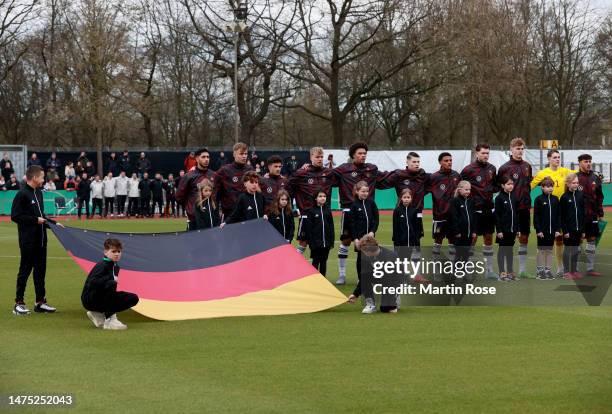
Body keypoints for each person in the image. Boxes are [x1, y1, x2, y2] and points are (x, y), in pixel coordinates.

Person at [11, 165, 64, 315]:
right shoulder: (22, 194)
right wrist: (35, 220)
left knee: (40, 272)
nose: (43, 179)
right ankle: (18, 303)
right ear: (34, 178)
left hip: (41, 241)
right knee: (25, 271)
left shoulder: (39, 193)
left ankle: (40, 302)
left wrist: (53, 224)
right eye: (42, 177)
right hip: (28, 241)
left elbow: (42, 216)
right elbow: (15, 216)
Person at [332, 142, 387, 285]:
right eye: (360, 153)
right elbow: (326, 174)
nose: (363, 156)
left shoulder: (372, 169)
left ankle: (362, 276)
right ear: (353, 155)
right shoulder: (343, 169)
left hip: (365, 211)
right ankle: (342, 274)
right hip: (348, 210)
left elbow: (386, 177)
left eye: (364, 153)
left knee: (365, 243)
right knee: (346, 241)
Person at [380, 151, 429, 278]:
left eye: (418, 162)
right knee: (401, 246)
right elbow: (382, 182)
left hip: (417, 214)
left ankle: (417, 274)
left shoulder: (423, 176)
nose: (417, 164)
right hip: (402, 213)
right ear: (407, 162)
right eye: (414, 162)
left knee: (416, 244)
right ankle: (401, 273)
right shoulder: (399, 175)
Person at [531, 149, 576, 277]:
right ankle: (541, 269)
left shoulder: (565, 171)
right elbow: (530, 186)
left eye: (558, 157)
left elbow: (577, 177)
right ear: (549, 159)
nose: (557, 159)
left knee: (560, 239)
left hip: (562, 209)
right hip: (547, 209)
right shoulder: (542, 173)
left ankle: (560, 268)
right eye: (554, 157)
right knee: (544, 241)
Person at [81, 238, 139, 330]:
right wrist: (109, 279)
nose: (117, 254)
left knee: (133, 298)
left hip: (101, 297)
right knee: (111, 283)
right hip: (90, 299)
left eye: (119, 251)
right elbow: (92, 282)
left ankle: (98, 313)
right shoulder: (102, 265)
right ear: (106, 252)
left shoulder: (115, 266)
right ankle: (110, 320)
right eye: (113, 251)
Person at [460, 144, 498, 279]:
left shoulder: (492, 168)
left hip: (488, 209)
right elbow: (461, 188)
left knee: (488, 238)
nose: (486, 155)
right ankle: (467, 270)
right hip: (474, 210)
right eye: (483, 153)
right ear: (477, 153)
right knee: (472, 239)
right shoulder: (468, 170)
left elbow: (495, 186)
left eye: (488, 153)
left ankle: (489, 271)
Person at [288, 147, 335, 256]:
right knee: (303, 243)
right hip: (307, 214)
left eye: (321, 157)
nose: (320, 159)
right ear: (311, 157)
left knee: (321, 244)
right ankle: (294, 267)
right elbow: (289, 185)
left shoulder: (328, 173)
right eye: (317, 157)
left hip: (323, 214)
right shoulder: (302, 173)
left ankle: (318, 271)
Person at [498, 138, 533, 278]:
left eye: (522, 148)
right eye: (517, 148)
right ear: (511, 149)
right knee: (507, 241)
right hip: (510, 209)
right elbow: (499, 186)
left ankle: (522, 270)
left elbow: (528, 185)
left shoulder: (527, 166)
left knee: (524, 238)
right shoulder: (505, 168)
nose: (520, 151)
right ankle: (505, 270)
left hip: (524, 208)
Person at [345, 181, 380, 303]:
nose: (365, 193)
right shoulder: (354, 206)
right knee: (360, 264)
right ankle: (363, 288)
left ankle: (363, 292)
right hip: (360, 241)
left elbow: (376, 219)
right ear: (357, 191)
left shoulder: (371, 203)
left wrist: (372, 232)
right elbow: (352, 224)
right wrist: (355, 239)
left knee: (368, 266)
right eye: (362, 191)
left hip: (370, 241)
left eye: (367, 191)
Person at [427, 152, 460, 259]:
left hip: (454, 216)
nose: (449, 162)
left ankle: (453, 268)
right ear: (440, 162)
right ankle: (435, 265)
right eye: (446, 161)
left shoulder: (456, 175)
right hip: (439, 215)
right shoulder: (434, 177)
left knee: (453, 241)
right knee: (438, 240)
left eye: (450, 160)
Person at [576, 154, 604, 277]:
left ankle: (590, 269)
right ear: (580, 163)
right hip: (579, 215)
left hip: (592, 215)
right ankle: (574, 270)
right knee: (577, 240)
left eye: (589, 161)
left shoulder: (595, 177)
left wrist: (600, 213)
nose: (588, 163)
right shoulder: (575, 177)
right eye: (585, 161)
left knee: (591, 240)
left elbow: (599, 197)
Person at [176, 148, 215, 230]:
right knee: (192, 243)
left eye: (208, 157)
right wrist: (191, 208)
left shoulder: (214, 175)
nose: (206, 159)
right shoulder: (189, 176)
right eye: (203, 157)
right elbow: (179, 197)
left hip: (211, 219)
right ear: (197, 159)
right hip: (194, 220)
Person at [214, 142, 254, 218]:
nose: (244, 156)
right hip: (230, 214)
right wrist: (216, 213)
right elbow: (215, 193)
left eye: (246, 154)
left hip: (248, 212)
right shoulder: (224, 171)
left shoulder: (250, 170)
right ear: (234, 154)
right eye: (241, 154)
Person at [391, 189, 423, 279]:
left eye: (408, 197)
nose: (406, 199)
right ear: (401, 198)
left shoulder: (414, 210)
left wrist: (417, 241)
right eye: (404, 197)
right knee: (402, 260)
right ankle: (402, 276)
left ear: (411, 198)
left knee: (413, 258)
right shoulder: (397, 211)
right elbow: (395, 228)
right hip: (401, 242)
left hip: (412, 241)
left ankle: (417, 276)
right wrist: (396, 242)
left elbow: (418, 227)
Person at [533, 177, 561, 280]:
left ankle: (548, 270)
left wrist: (558, 229)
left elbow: (558, 215)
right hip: (542, 232)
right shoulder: (538, 199)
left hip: (552, 231)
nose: (550, 188)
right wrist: (538, 230)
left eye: (551, 186)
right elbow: (536, 217)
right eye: (548, 186)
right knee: (541, 250)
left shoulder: (555, 199)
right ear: (542, 187)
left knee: (549, 250)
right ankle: (539, 271)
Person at [303, 190, 334, 276]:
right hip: (316, 243)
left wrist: (331, 241)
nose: (322, 198)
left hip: (326, 243)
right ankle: (315, 280)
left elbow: (331, 227)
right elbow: (309, 229)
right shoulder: (311, 211)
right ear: (316, 198)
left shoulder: (328, 211)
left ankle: (323, 279)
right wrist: (311, 243)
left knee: (324, 261)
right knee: (316, 261)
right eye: (320, 196)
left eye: (324, 196)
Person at [560, 173, 585, 279]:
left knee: (575, 250)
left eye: (577, 183)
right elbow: (561, 216)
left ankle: (574, 271)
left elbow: (583, 214)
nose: (576, 185)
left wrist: (583, 230)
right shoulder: (564, 197)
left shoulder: (580, 195)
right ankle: (566, 271)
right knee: (567, 249)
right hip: (568, 230)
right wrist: (565, 231)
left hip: (578, 229)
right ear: (568, 184)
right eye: (573, 183)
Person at [495, 176, 519, 281]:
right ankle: (502, 273)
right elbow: (497, 215)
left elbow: (517, 214)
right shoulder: (499, 198)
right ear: (503, 185)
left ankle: (510, 272)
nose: (511, 186)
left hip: (512, 230)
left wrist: (517, 229)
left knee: (510, 251)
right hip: (503, 231)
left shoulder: (514, 197)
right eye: (508, 184)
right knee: (502, 250)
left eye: (512, 184)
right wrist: (499, 230)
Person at [450, 180, 477, 266]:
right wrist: (457, 232)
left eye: (469, 189)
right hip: (460, 235)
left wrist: (474, 231)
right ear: (459, 190)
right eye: (466, 189)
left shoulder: (471, 202)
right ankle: (454, 274)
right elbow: (454, 218)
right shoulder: (455, 201)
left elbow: (473, 217)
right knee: (458, 255)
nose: (468, 191)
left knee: (466, 255)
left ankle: (464, 273)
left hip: (469, 235)